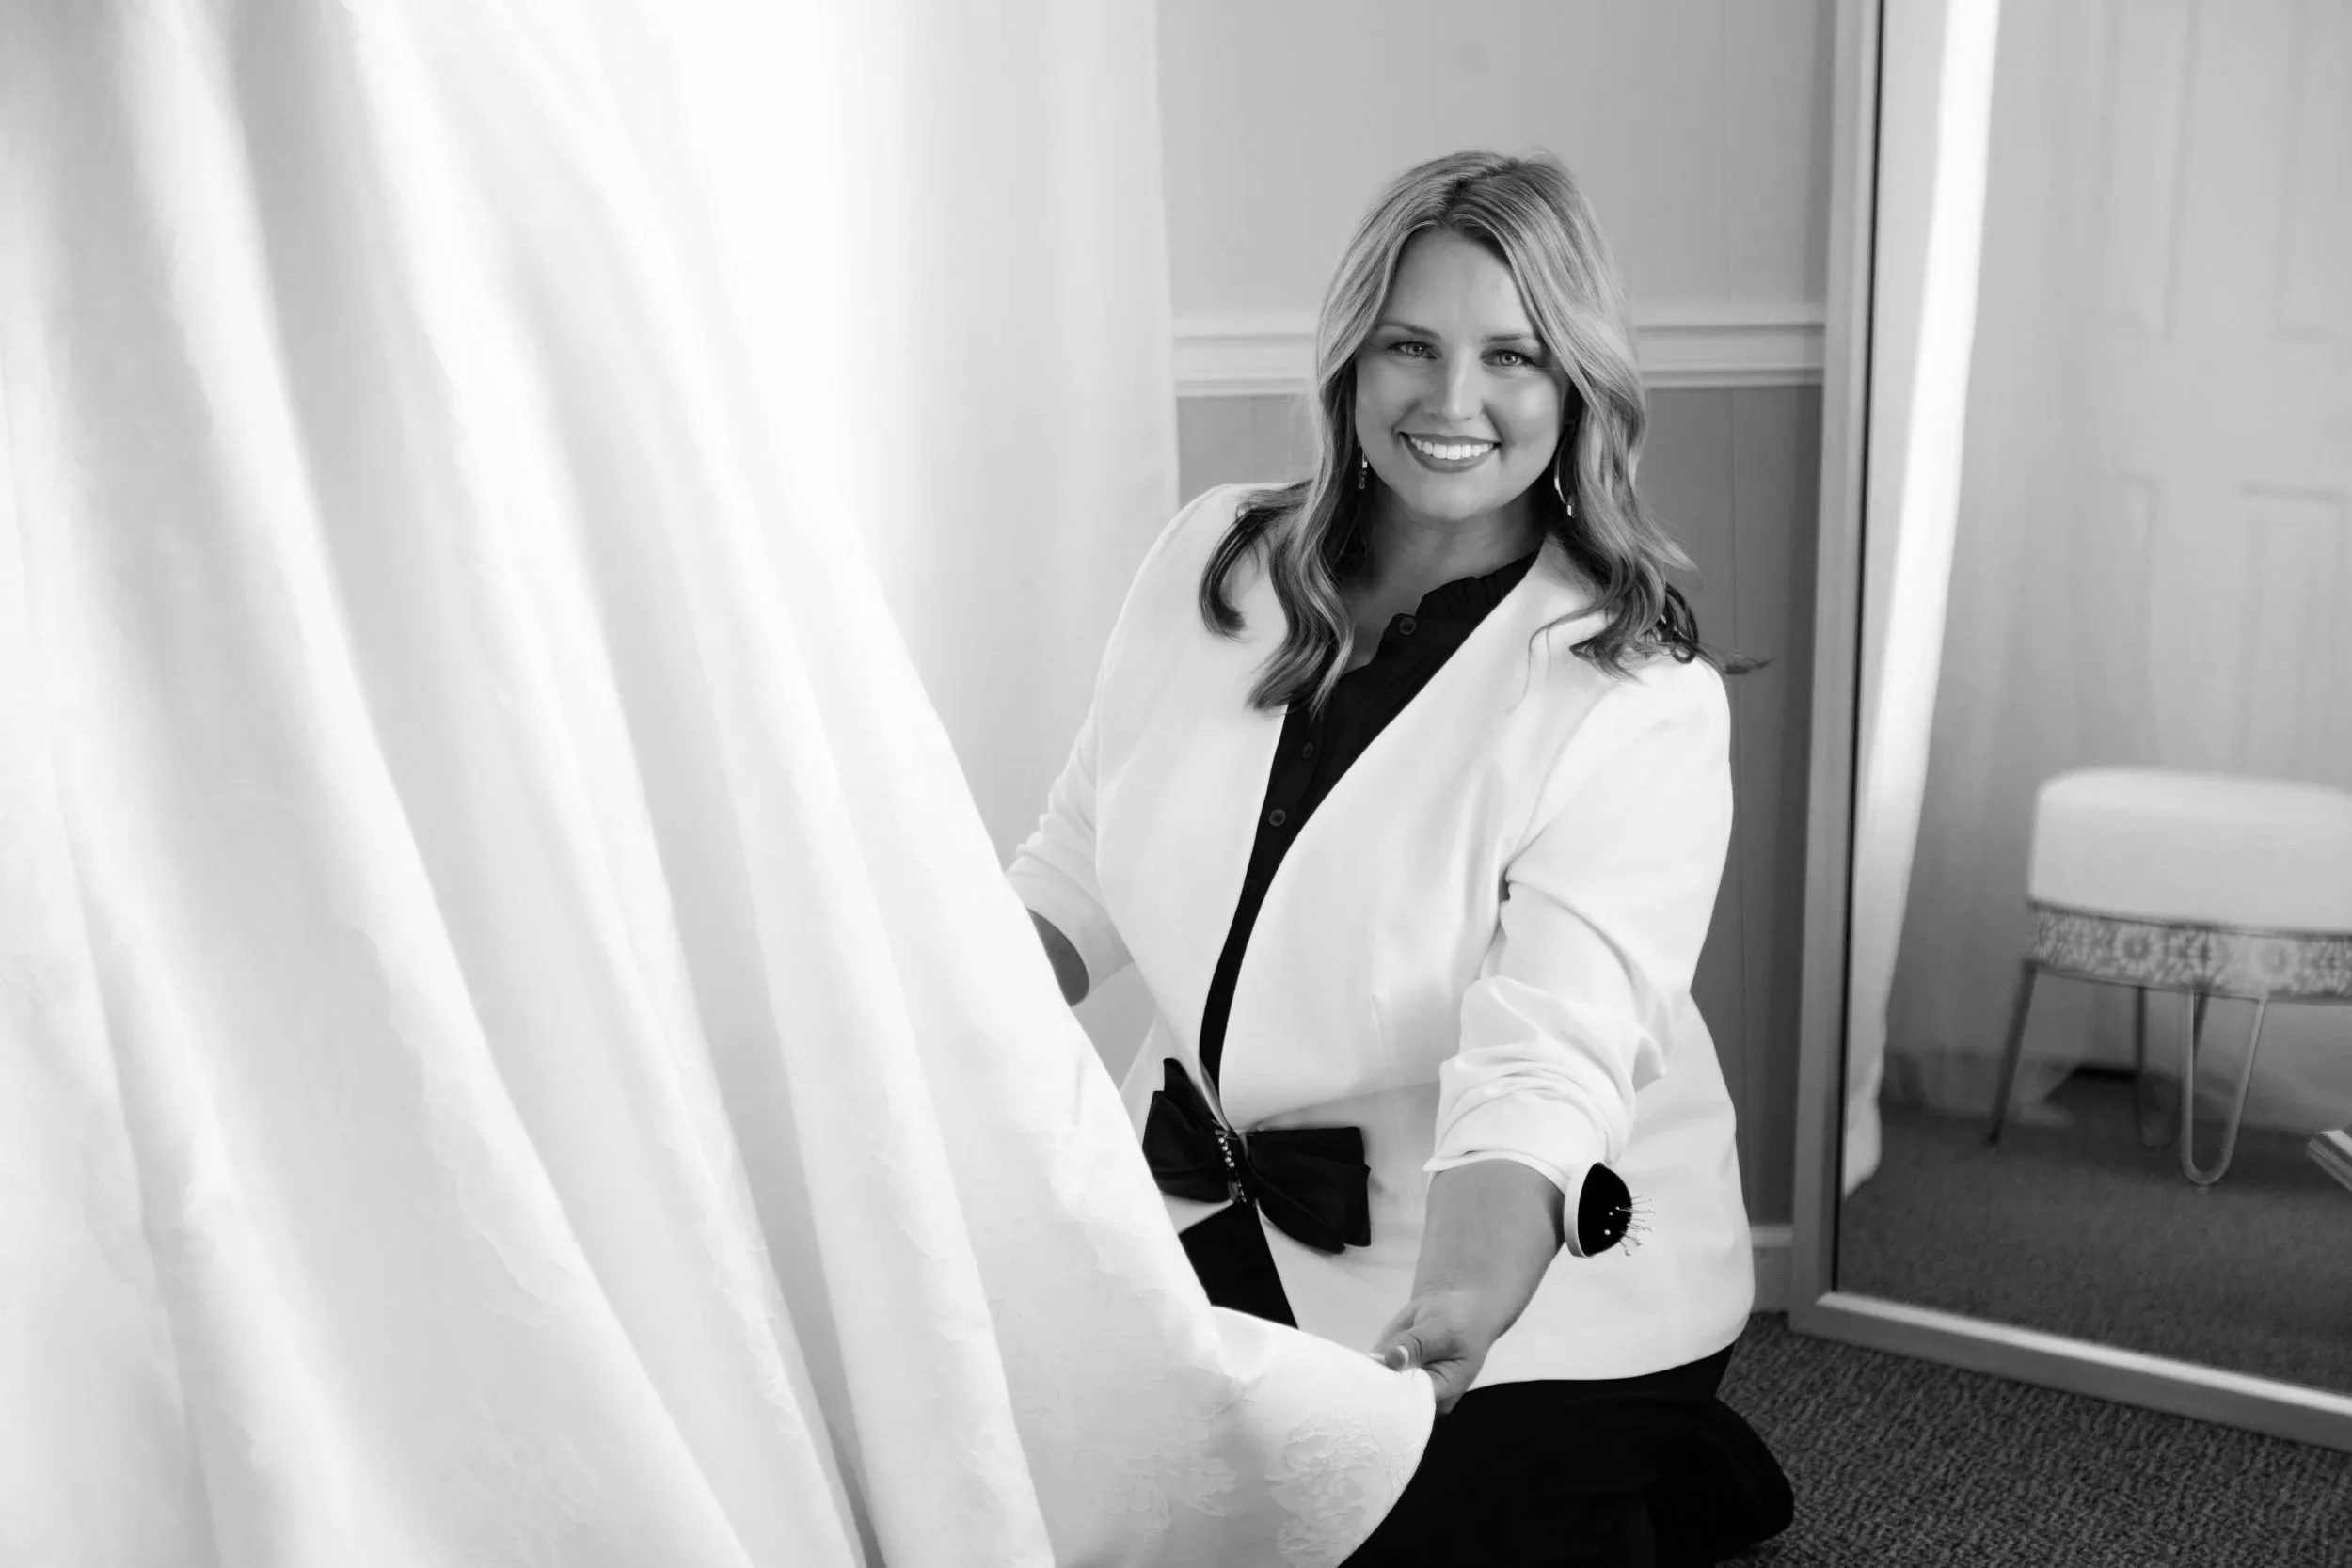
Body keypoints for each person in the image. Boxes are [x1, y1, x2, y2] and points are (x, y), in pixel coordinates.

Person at [1010, 149, 1796, 1567]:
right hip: (1206, 1192)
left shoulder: (1635, 692)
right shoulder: (1215, 559)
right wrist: (902, 1012)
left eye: (1511, 355)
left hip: (1516, 1258)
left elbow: (1545, 1062)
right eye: (1410, 347)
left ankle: (1659, 1448)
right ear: (1349, 358)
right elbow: (1077, 859)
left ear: (1575, 386)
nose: (1451, 401)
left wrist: (1464, 1303)